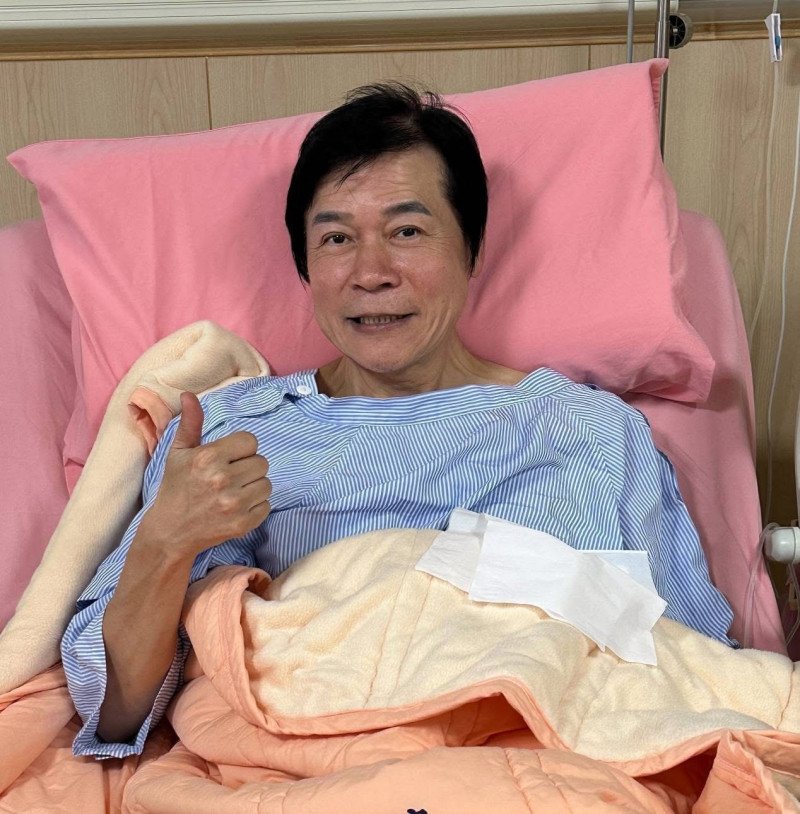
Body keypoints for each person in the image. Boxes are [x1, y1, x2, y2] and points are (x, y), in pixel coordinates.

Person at [62, 83, 736, 760]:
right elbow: (116, 712)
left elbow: (698, 672)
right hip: (312, 767)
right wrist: (165, 541)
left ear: (471, 250)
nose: (371, 273)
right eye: (336, 239)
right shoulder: (236, 431)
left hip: (539, 762)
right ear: (305, 266)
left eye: (406, 231)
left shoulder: (590, 432)